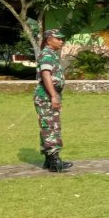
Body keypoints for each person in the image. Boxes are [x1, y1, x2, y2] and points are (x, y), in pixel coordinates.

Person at [34, 29, 73, 172]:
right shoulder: (47, 54)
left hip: (48, 95)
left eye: (62, 39)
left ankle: (49, 160)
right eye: (58, 38)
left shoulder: (51, 54)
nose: (61, 41)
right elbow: (46, 75)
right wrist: (53, 96)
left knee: (48, 126)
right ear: (49, 40)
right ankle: (55, 162)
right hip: (46, 96)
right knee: (51, 127)